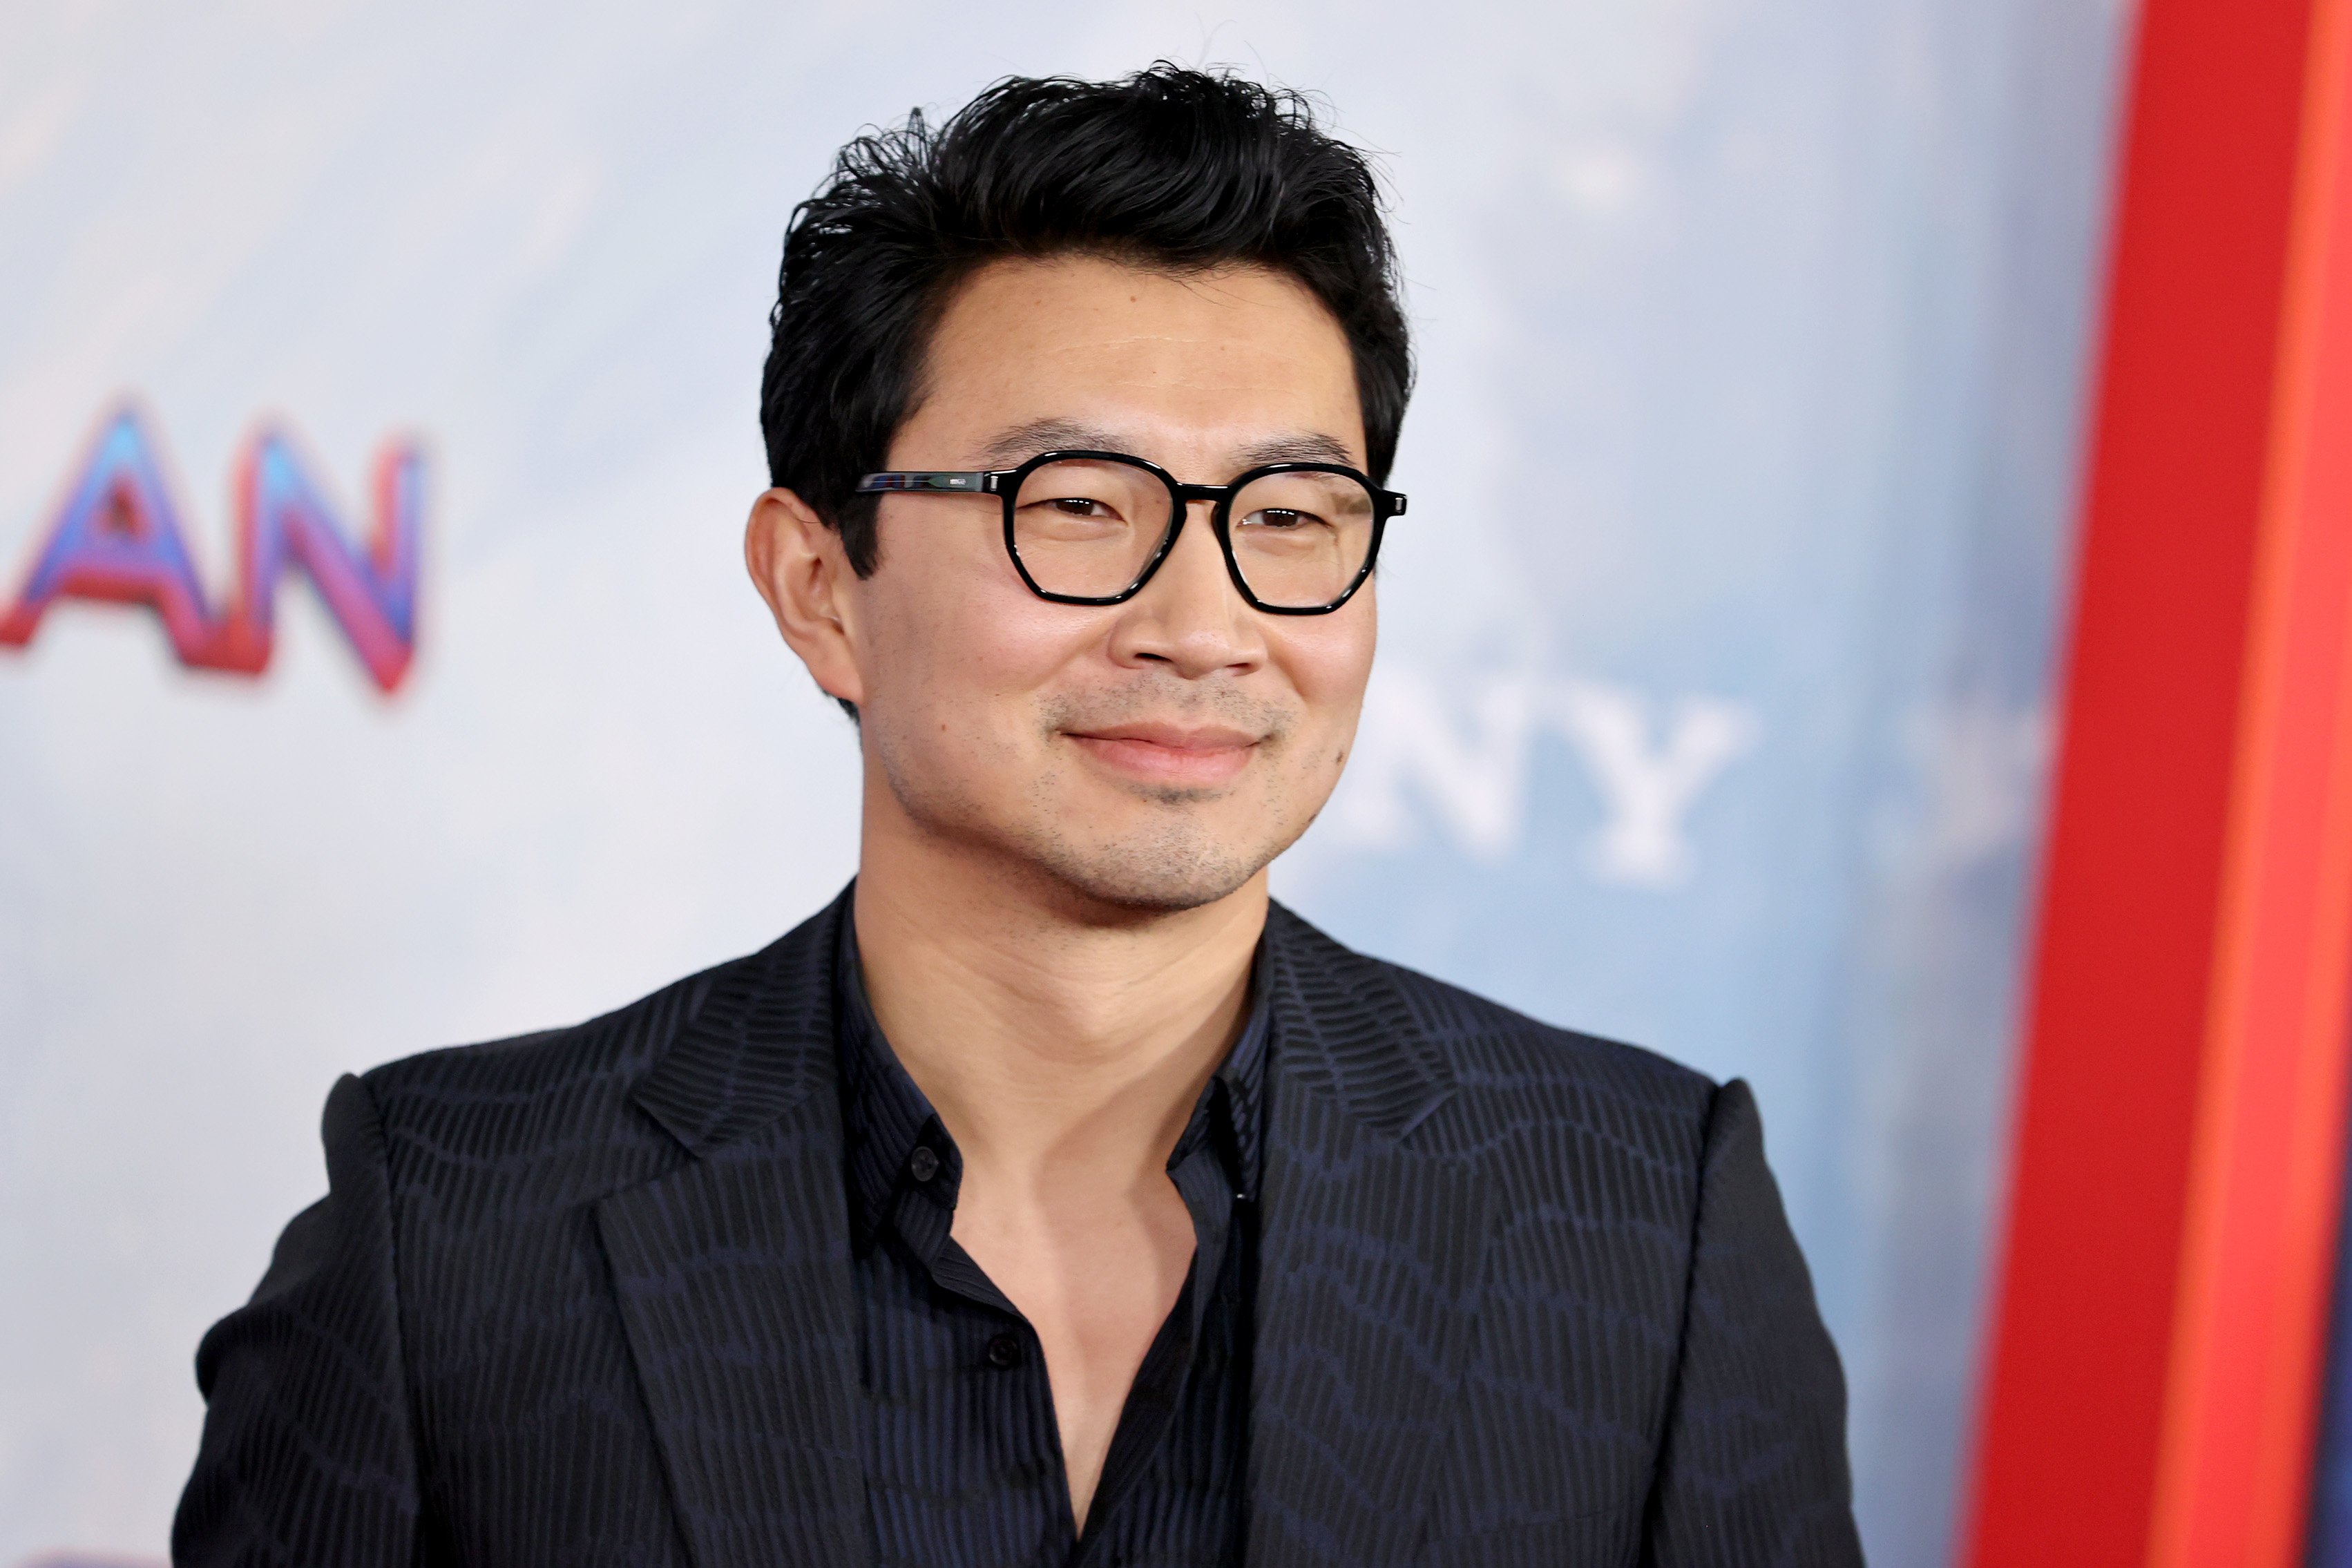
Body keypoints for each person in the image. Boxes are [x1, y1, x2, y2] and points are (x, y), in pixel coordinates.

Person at [173, 66, 1861, 1568]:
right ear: (819, 585)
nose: (1200, 623)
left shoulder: (1641, 1234)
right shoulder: (459, 1232)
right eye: (1076, 506)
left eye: (1288, 515)